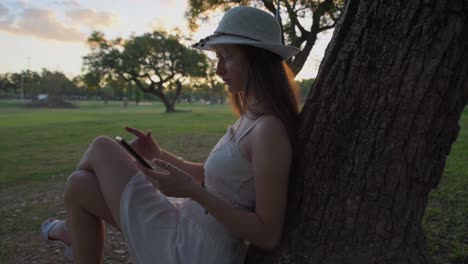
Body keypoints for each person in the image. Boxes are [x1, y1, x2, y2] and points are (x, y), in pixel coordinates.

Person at [41, 5, 300, 264]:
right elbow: (215, 177)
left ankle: (71, 232)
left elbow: (267, 234)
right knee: (79, 185)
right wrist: (156, 154)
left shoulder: (268, 130)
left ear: (256, 59)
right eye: (218, 58)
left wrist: (194, 192)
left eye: (227, 57)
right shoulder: (250, 119)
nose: (218, 69)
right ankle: (71, 231)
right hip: (185, 224)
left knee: (102, 147)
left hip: (192, 251)